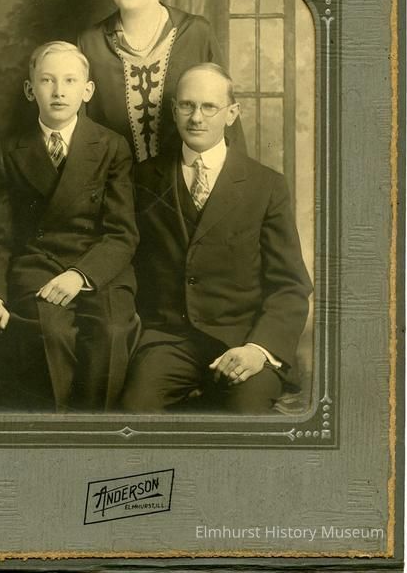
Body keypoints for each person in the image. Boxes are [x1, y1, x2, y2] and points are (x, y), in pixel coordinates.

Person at [121, 63, 312, 414]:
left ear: (231, 113)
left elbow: (290, 285)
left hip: (243, 340)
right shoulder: (142, 178)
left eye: (209, 107)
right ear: (174, 110)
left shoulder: (266, 185)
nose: (196, 118)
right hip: (168, 342)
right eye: (187, 105)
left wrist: (258, 349)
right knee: (135, 414)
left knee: (245, 419)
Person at [0, 42, 140, 412]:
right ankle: (59, 428)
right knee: (51, 332)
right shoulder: (9, 150)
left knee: (112, 331)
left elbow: (122, 234)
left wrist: (80, 275)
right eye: (47, 80)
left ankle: (96, 431)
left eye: (70, 81)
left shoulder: (111, 146)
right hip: (38, 265)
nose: (59, 91)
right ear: (30, 90)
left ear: (87, 90)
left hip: (100, 267)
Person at [77, 0, 245, 163]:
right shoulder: (90, 43)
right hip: (115, 181)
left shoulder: (196, 33)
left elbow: (226, 121)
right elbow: (81, 131)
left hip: (184, 180)